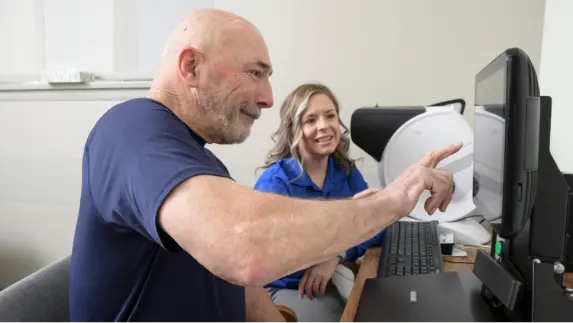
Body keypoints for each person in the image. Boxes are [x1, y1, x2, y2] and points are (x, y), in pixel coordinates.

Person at [68, 8, 461, 323]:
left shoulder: (203, 163)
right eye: (255, 73)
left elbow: (244, 292)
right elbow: (245, 248)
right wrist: (393, 199)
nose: (269, 98)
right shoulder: (130, 129)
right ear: (190, 67)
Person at [253, 83, 385, 323]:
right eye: (310, 120)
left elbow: (376, 224)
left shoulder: (344, 170)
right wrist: (345, 232)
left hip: (336, 272)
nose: (324, 126)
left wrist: (336, 254)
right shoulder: (275, 182)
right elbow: (276, 252)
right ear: (294, 129)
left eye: (330, 116)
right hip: (288, 287)